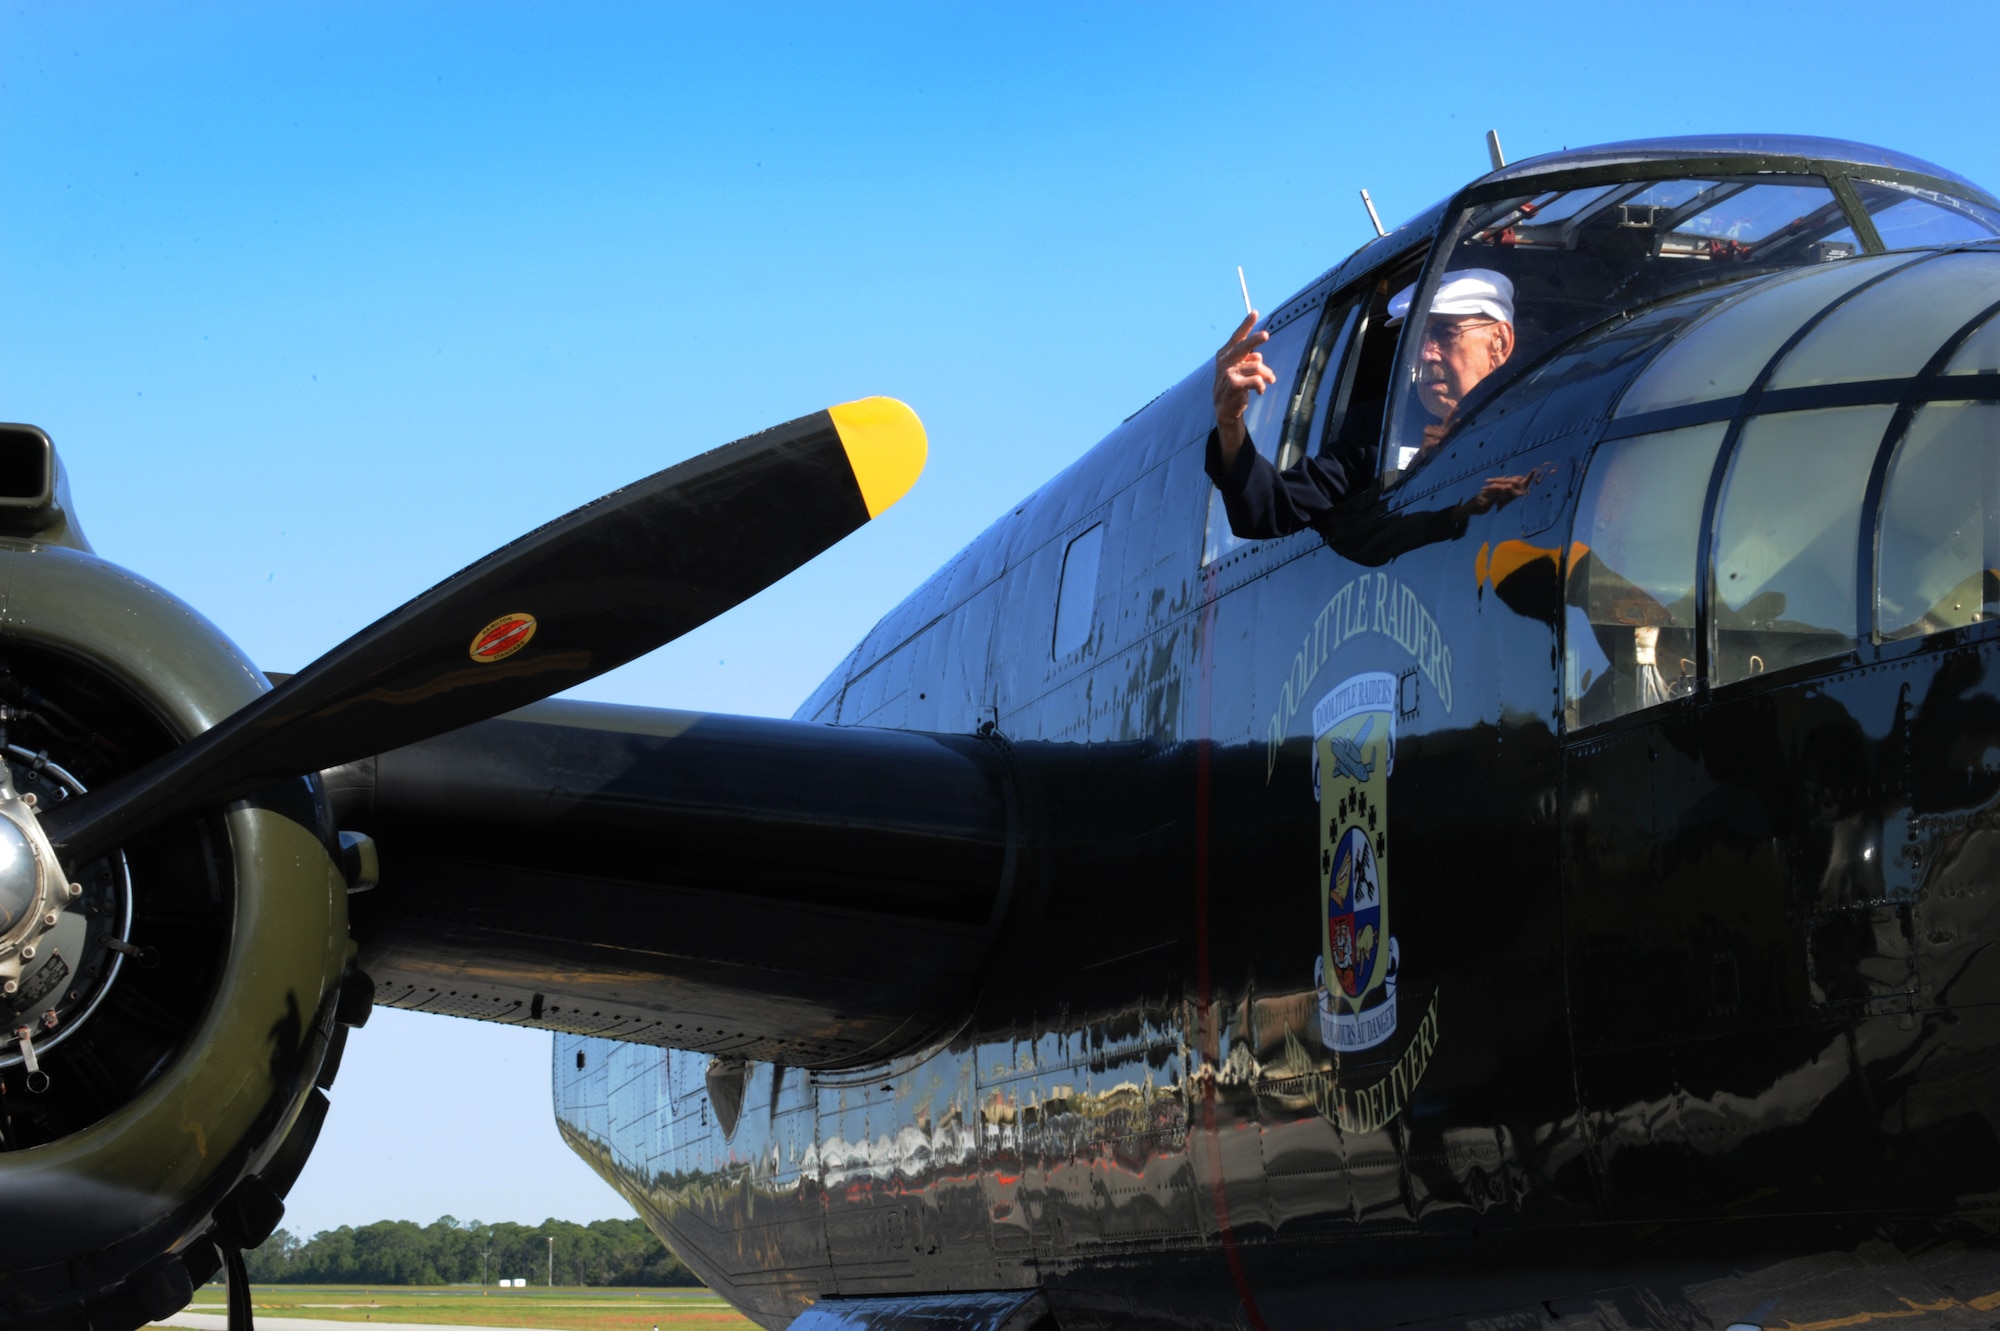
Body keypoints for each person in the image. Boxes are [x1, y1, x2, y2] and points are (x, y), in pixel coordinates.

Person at [1204, 267, 1530, 551]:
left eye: (1445, 333)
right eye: (1417, 338)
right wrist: (1229, 421)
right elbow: (1270, 511)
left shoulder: (1541, 407)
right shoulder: (1378, 431)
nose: (1426, 354)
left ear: (1499, 342)